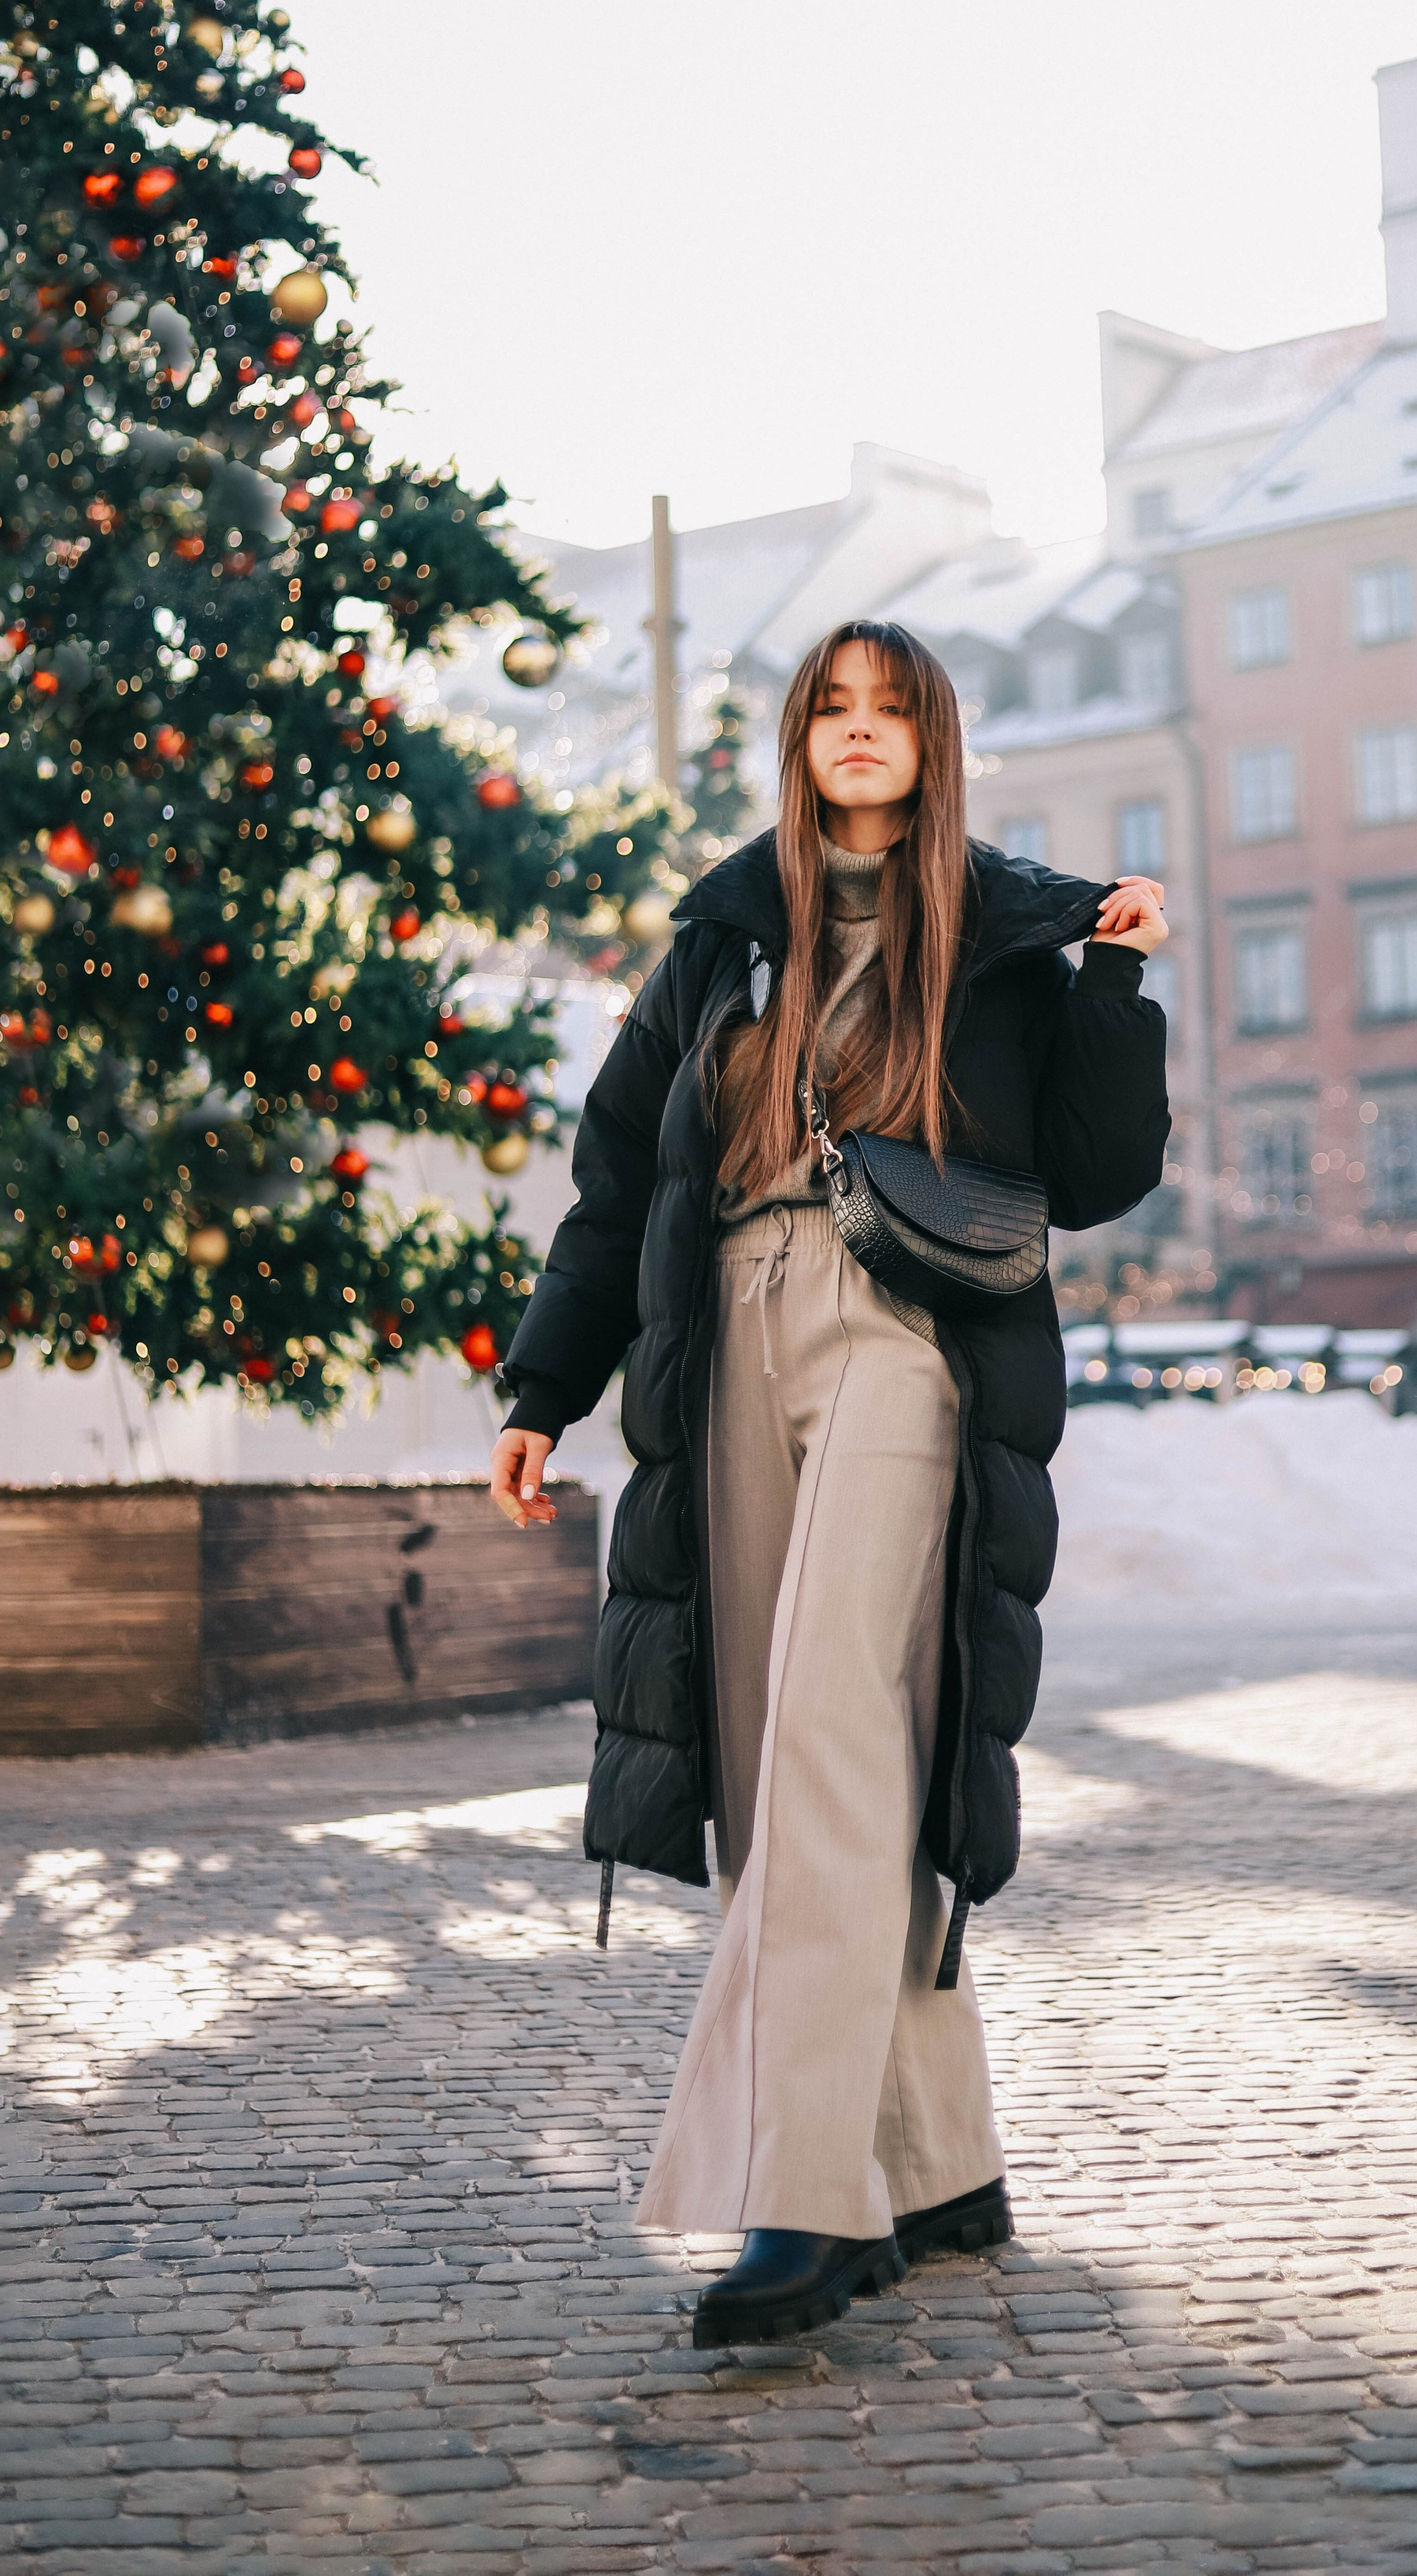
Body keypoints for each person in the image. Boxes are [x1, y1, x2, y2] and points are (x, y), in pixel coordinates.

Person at [488, 621, 1171, 2348]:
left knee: (832, 1735)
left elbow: (1092, 1178)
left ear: (934, 742)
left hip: (902, 1334)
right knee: (764, 1749)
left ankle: (803, 2200)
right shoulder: (724, 934)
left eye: (889, 711)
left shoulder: (1019, 925)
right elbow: (614, 1177)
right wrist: (543, 1385)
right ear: (796, 744)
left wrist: (1113, 987)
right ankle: (936, 2166)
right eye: (829, 711)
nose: (858, 733)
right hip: (726, 1339)